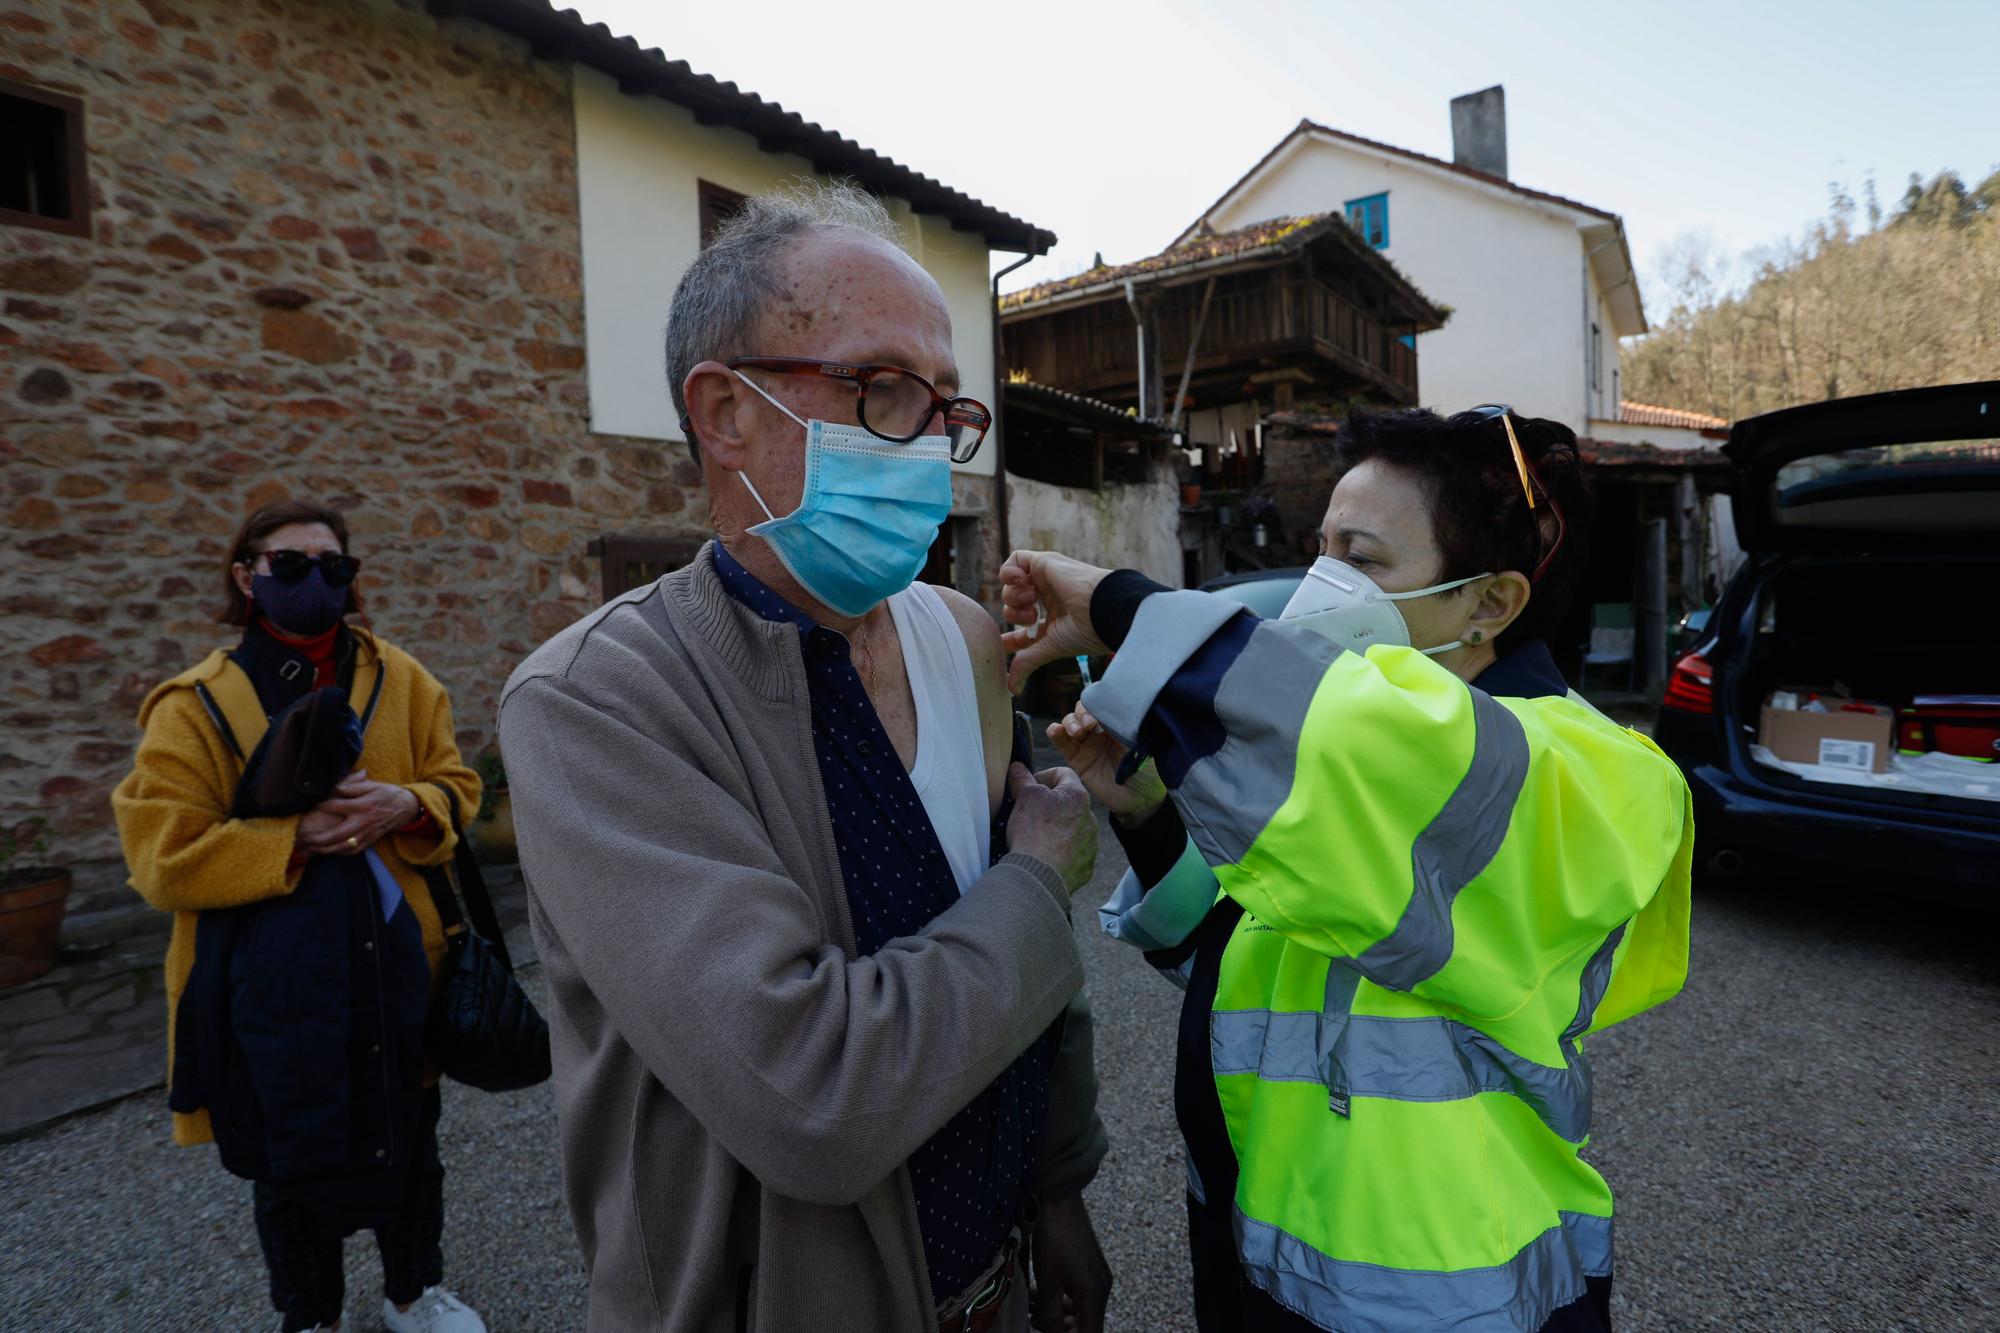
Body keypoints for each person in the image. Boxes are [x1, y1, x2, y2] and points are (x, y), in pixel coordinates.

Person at [499, 182, 1112, 1333]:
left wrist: (1058, 1190)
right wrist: (1041, 878)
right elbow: (811, 1096)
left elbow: (1034, 996)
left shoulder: (965, 639)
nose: (931, 441)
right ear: (725, 414)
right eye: (883, 389)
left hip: (996, 1283)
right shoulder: (595, 704)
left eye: (945, 407)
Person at [1004, 406, 1694, 1332]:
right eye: (1321, 549)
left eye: (1363, 561)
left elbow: (1381, 750)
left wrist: (1122, 607)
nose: (1326, 583)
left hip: (1450, 1295)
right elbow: (1260, 952)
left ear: (1491, 601)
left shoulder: (1599, 775)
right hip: (1266, 1258)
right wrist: (1148, 814)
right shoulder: (1347, 795)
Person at [112, 499, 486, 1333]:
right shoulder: (194, 705)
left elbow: (459, 789)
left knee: (411, 1144)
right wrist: (292, 835)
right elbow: (160, 853)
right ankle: (309, 1314)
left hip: (397, 970)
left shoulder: (408, 680)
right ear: (247, 577)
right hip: (265, 985)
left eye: (333, 566)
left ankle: (412, 1293)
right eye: (291, 564)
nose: (314, 581)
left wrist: (408, 802)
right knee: (288, 1164)